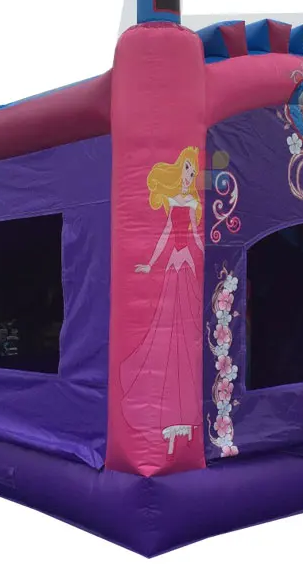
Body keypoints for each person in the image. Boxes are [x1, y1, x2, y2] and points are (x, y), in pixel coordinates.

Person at [119, 146, 204, 454]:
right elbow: (166, 235)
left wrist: (210, 255)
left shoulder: (192, 202)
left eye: (193, 173)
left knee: (188, 338)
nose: (189, 176)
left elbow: (195, 237)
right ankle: (171, 420)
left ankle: (186, 418)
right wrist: (151, 264)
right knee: (169, 338)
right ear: (179, 171)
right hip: (174, 267)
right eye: (187, 170)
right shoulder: (173, 202)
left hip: (186, 266)